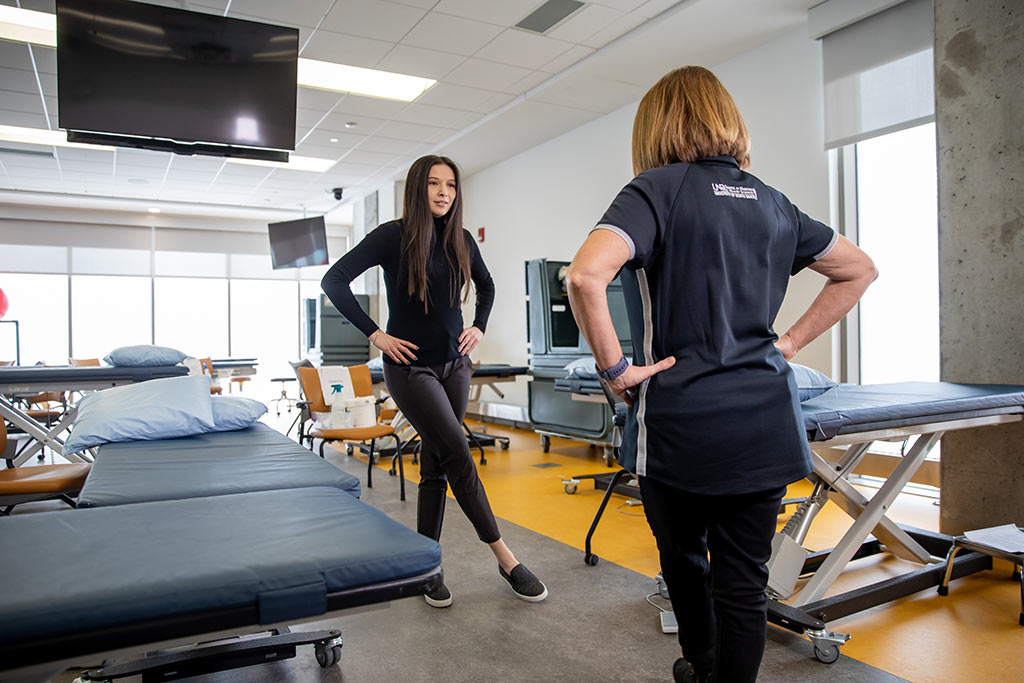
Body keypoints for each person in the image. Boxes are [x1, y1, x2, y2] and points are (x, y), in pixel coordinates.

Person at [565, 67, 876, 683]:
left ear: (658, 126)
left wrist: (616, 371)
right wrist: (786, 343)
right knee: (744, 581)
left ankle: (700, 664)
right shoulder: (772, 201)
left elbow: (583, 276)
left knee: (684, 562)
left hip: (681, 424)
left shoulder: (654, 190)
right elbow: (859, 269)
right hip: (766, 421)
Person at [321, 154, 547, 608]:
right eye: (433, 184)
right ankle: (507, 560)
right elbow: (334, 280)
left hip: (455, 366)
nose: (444, 192)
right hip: (410, 368)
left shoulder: (461, 239)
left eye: (451, 185)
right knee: (459, 453)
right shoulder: (392, 236)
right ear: (417, 190)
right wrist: (377, 335)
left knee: (435, 465)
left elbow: (488, 285)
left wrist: (479, 325)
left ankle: (427, 569)